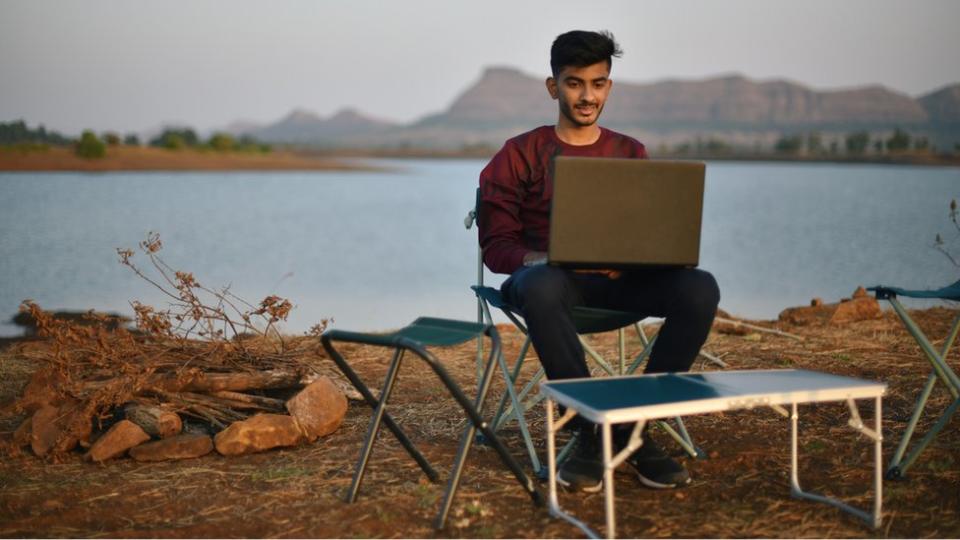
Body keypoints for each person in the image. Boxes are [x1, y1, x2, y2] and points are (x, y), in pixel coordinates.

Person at [477, 30, 720, 492]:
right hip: (550, 284)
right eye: (574, 83)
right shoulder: (519, 153)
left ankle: (633, 427)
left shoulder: (631, 152)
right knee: (544, 285)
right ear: (554, 87)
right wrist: (539, 257)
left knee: (700, 287)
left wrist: (644, 259)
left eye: (599, 83)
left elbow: (649, 233)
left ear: (609, 85)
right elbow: (496, 246)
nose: (587, 96)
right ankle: (590, 429)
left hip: (619, 281)